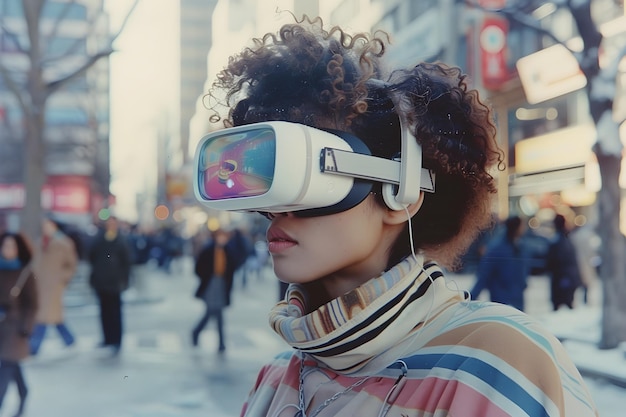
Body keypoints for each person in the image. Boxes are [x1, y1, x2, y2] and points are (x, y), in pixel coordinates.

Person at [201, 17, 597, 417]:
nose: (276, 210)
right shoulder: (276, 377)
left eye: (304, 178)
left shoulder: (497, 363)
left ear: (401, 194)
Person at [0, 232, 38, 417]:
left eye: (12, 246)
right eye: (5, 246)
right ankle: (24, 392)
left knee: (5, 368)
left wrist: (26, 328)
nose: (7, 250)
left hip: (15, 329)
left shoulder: (25, 273)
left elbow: (32, 305)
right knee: (12, 366)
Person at [29, 217, 78, 355]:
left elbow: (72, 265)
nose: (45, 228)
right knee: (53, 317)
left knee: (43, 317)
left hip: (54, 287)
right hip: (40, 285)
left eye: (47, 225)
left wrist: (61, 278)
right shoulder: (39, 242)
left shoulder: (64, 243)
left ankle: (34, 347)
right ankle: (69, 339)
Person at [88, 216, 132, 355]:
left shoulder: (121, 240)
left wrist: (124, 280)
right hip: (101, 282)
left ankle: (116, 340)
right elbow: (92, 255)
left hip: (115, 283)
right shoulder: (100, 238)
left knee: (115, 313)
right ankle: (107, 338)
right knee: (104, 312)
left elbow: (127, 261)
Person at [470, 215, 530, 311]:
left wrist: (523, 284)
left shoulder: (520, 247)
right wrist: (470, 299)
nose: (524, 228)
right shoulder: (496, 249)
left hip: (518, 302)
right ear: (516, 228)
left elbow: (523, 269)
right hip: (501, 302)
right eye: (522, 226)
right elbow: (483, 276)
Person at [191, 227, 237, 352]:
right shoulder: (208, 250)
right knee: (213, 311)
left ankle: (219, 341)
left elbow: (232, 268)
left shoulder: (228, 251)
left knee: (217, 312)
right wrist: (206, 276)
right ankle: (199, 333)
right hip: (211, 283)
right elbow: (198, 268)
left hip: (222, 284)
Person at [546, 214, 583, 311]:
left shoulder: (559, 241)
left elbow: (556, 262)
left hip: (563, 278)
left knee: (563, 304)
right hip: (567, 278)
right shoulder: (566, 239)